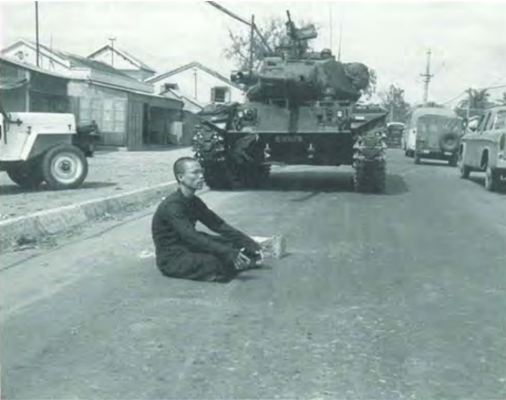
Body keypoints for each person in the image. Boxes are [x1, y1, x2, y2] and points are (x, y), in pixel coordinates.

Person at [151, 157, 262, 283]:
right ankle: (230, 266)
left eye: (201, 172)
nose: (201, 176)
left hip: (188, 247)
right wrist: (228, 253)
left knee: (234, 245)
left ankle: (239, 261)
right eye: (195, 173)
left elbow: (218, 224)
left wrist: (249, 242)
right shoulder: (172, 206)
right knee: (215, 262)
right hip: (173, 258)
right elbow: (191, 237)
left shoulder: (194, 201)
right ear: (181, 177)